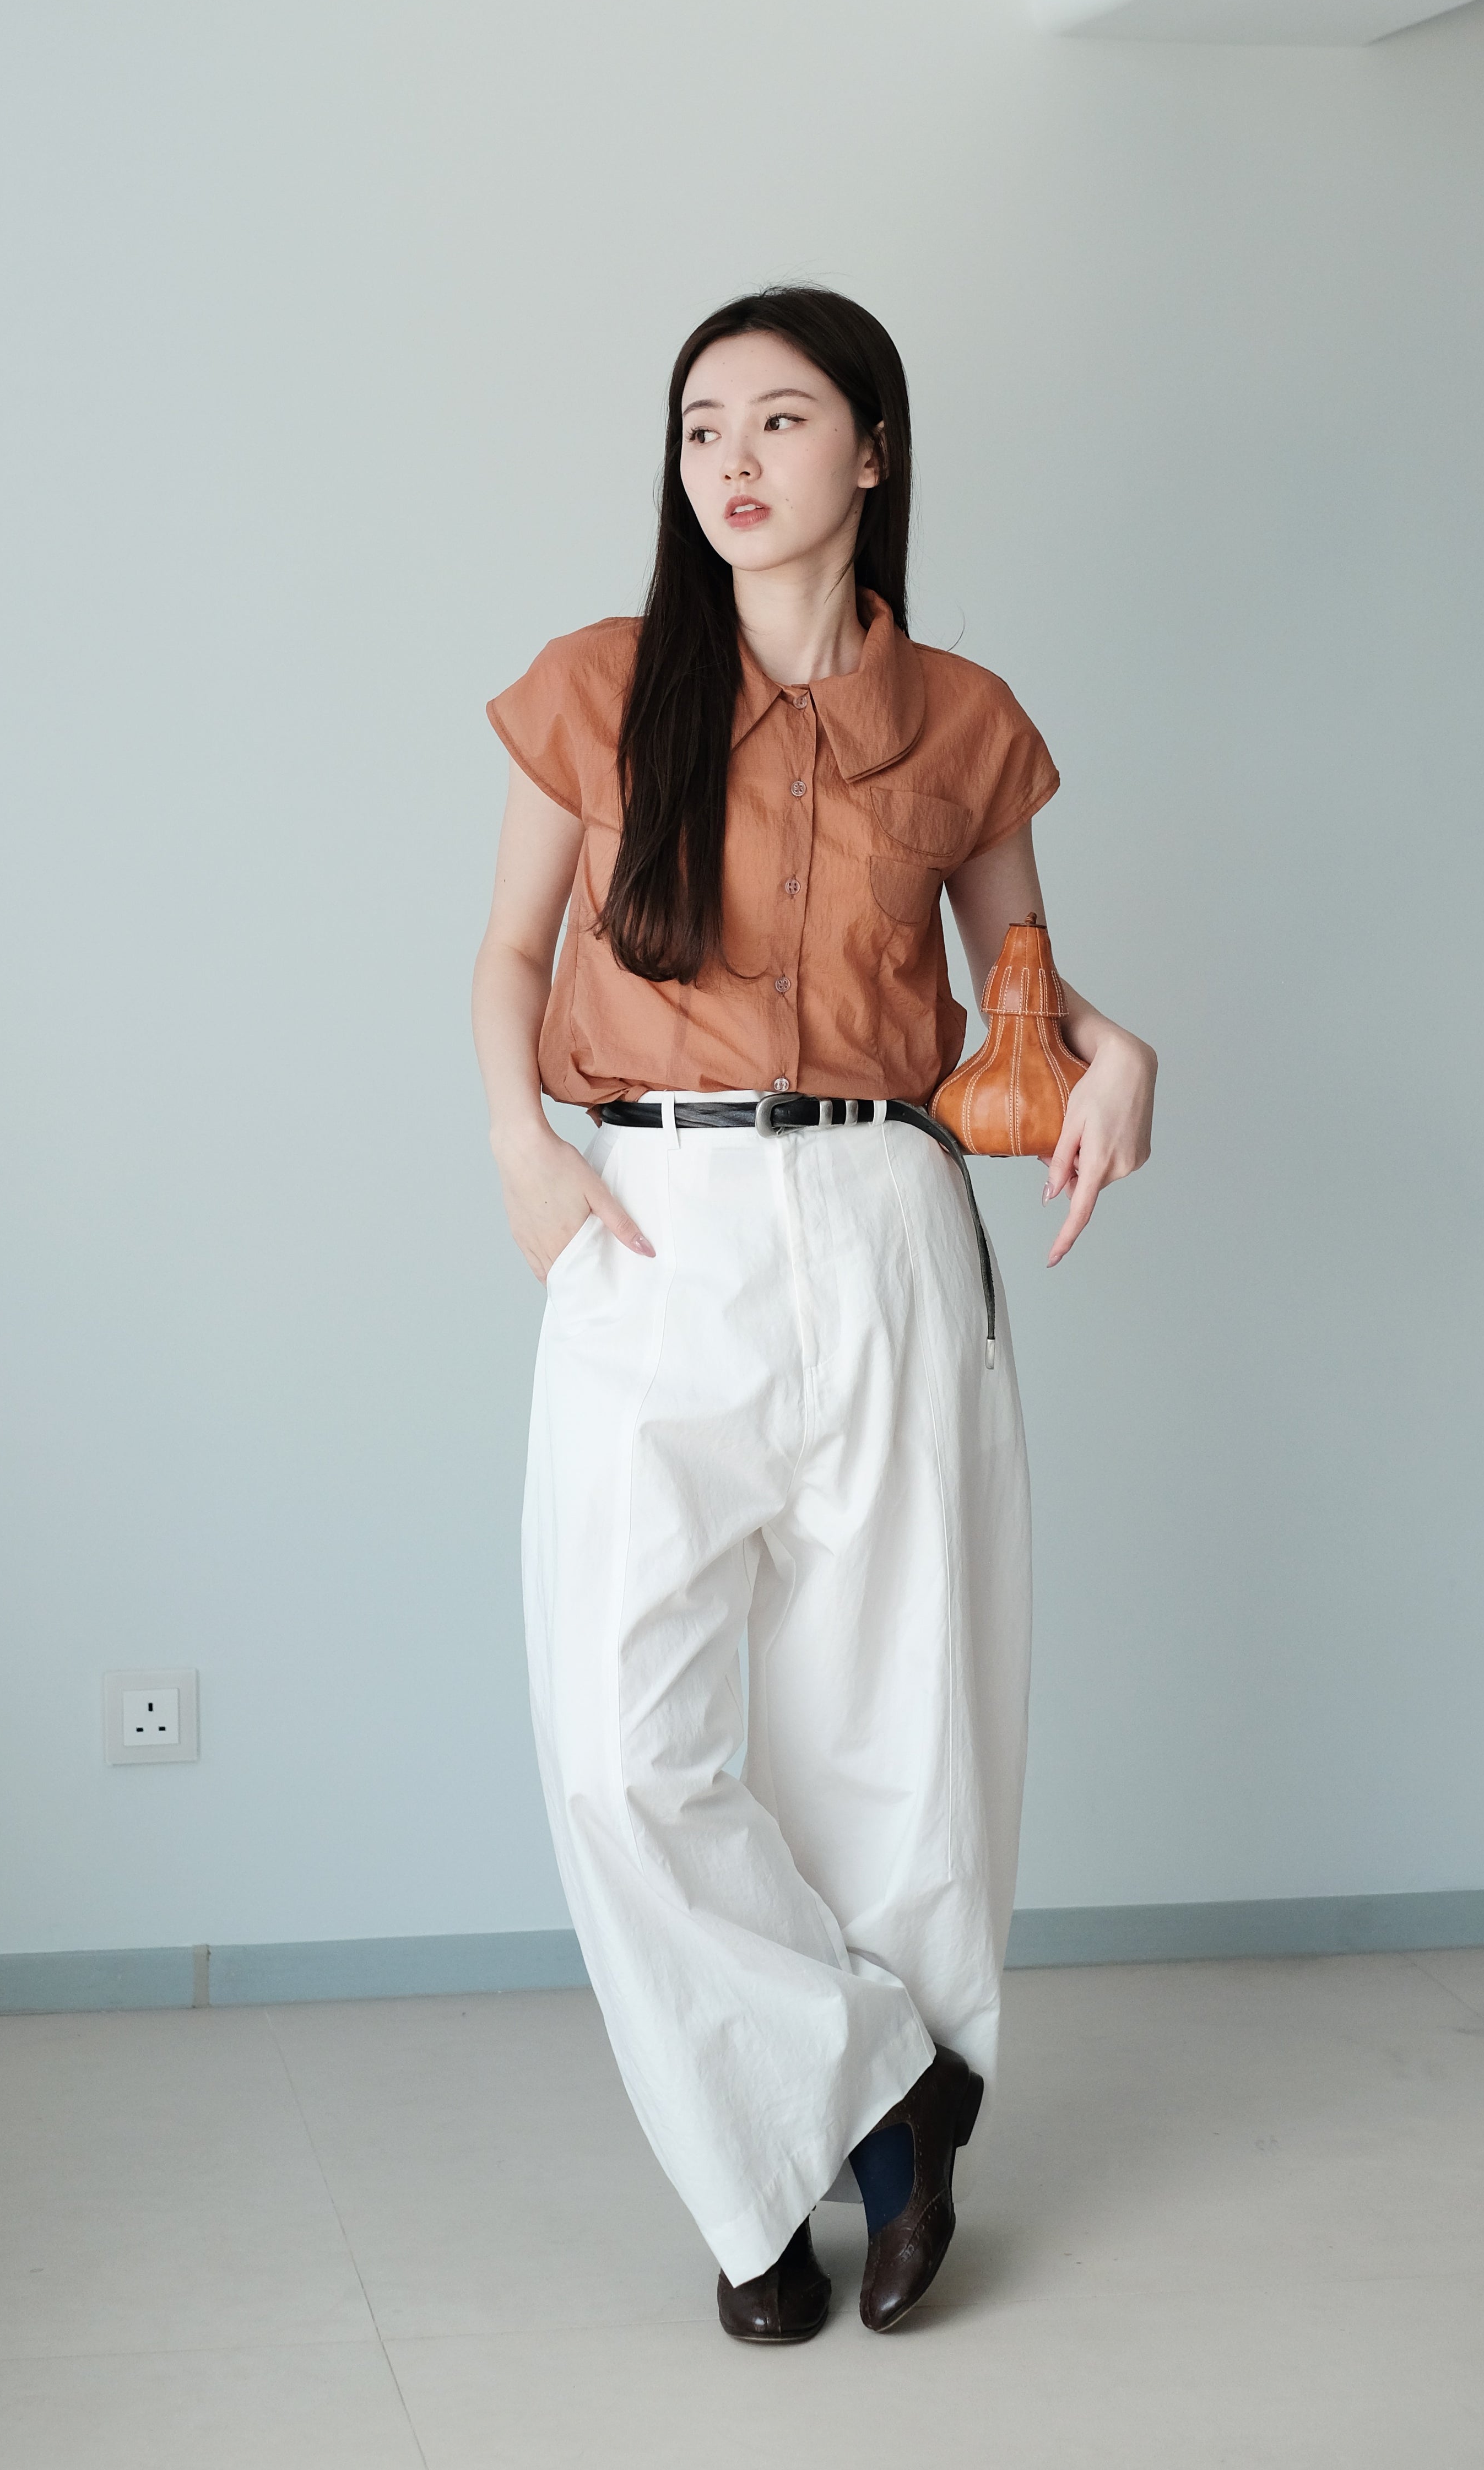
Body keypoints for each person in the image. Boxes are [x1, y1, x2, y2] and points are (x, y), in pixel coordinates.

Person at [470, 287, 1156, 2341]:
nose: (734, 461)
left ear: (873, 453)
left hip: (877, 1217)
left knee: (894, 1731)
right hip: (647, 1218)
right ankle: (866, 2108)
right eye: (702, 427)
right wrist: (521, 1148)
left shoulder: (964, 719)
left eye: (780, 420)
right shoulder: (600, 689)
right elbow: (508, 954)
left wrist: (1117, 1051)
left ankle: (833, 2176)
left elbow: (1017, 1000)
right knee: (624, 1750)